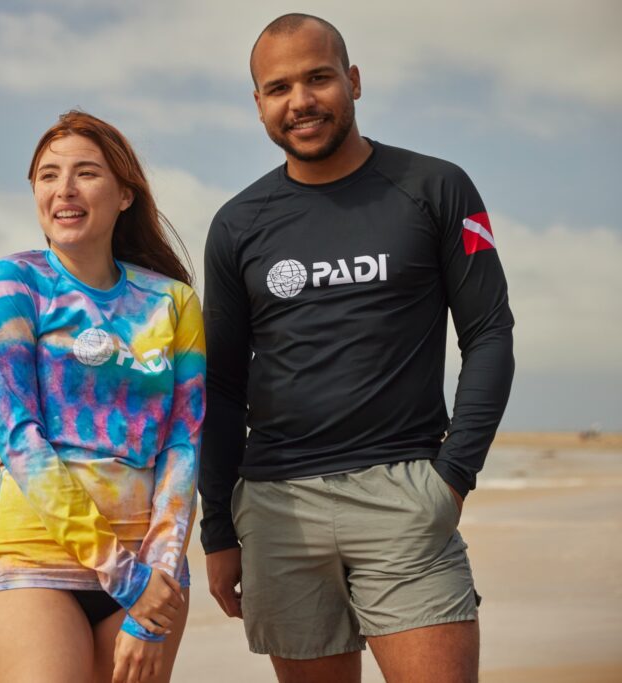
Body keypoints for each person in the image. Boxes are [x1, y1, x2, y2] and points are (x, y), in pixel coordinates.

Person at [199, 14, 514, 683]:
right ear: (258, 103)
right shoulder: (236, 224)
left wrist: (454, 476)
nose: (301, 100)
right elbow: (223, 387)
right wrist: (219, 530)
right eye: (278, 87)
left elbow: (488, 333)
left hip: (405, 492)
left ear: (354, 81)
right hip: (278, 508)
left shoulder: (437, 188)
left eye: (318, 77)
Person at [0, 111, 206, 683]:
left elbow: (184, 446)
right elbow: (20, 438)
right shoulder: (14, 283)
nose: (64, 190)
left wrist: (157, 582)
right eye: (48, 175)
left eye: (86, 174)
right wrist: (125, 576)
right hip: (37, 560)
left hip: (151, 573)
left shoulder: (172, 302)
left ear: (125, 194)